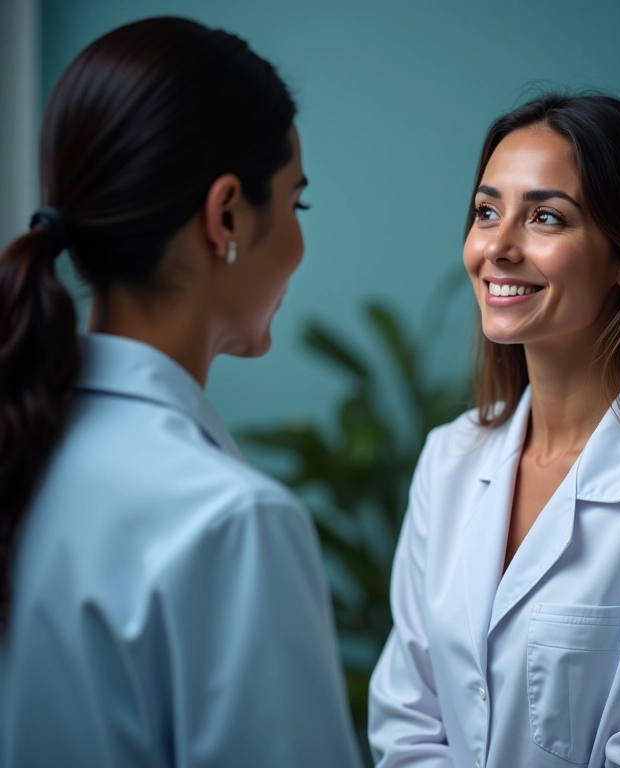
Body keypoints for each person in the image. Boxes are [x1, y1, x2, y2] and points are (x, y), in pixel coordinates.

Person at [0, 17, 362, 768]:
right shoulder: (231, 523)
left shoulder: (20, 443)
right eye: (296, 204)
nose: (299, 242)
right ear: (225, 215)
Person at [368, 93, 620, 767]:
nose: (497, 247)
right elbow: (406, 723)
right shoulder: (449, 457)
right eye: (487, 212)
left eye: (545, 217)